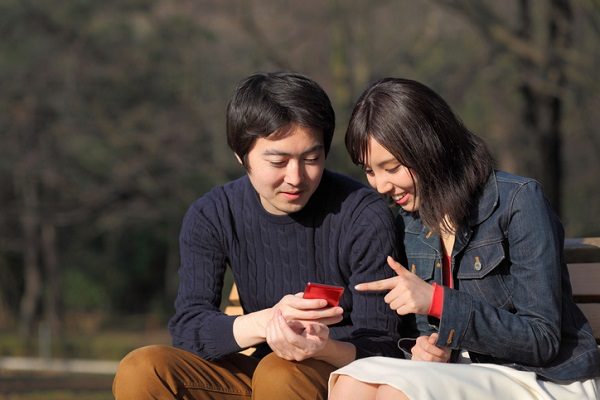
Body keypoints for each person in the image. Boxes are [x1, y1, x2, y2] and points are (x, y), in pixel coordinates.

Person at [112, 72, 414, 400]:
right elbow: (188, 329)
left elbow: (383, 345)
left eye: (311, 159)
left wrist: (322, 346)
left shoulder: (362, 213)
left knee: (280, 374)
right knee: (141, 370)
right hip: (253, 369)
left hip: (334, 373)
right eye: (278, 161)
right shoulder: (213, 213)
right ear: (241, 156)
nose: (296, 177)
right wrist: (269, 321)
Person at [328, 77, 600, 400]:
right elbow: (425, 331)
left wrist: (438, 302)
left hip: (544, 378)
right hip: (464, 373)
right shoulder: (409, 223)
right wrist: (429, 347)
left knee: (395, 392)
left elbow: (542, 339)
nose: (381, 185)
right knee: (351, 383)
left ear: (430, 147)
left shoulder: (519, 202)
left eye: (393, 167)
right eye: (370, 171)